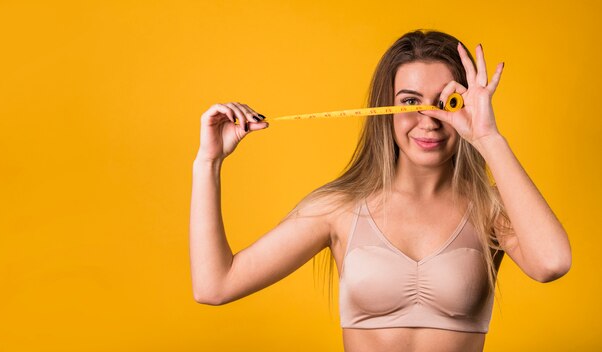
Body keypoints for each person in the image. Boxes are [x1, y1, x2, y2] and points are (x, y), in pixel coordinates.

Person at [189, 29, 572, 352]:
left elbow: (552, 263)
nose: (429, 121)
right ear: (383, 108)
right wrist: (209, 163)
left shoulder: (491, 208)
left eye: (447, 102)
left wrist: (487, 136)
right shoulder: (339, 208)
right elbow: (215, 285)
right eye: (409, 102)